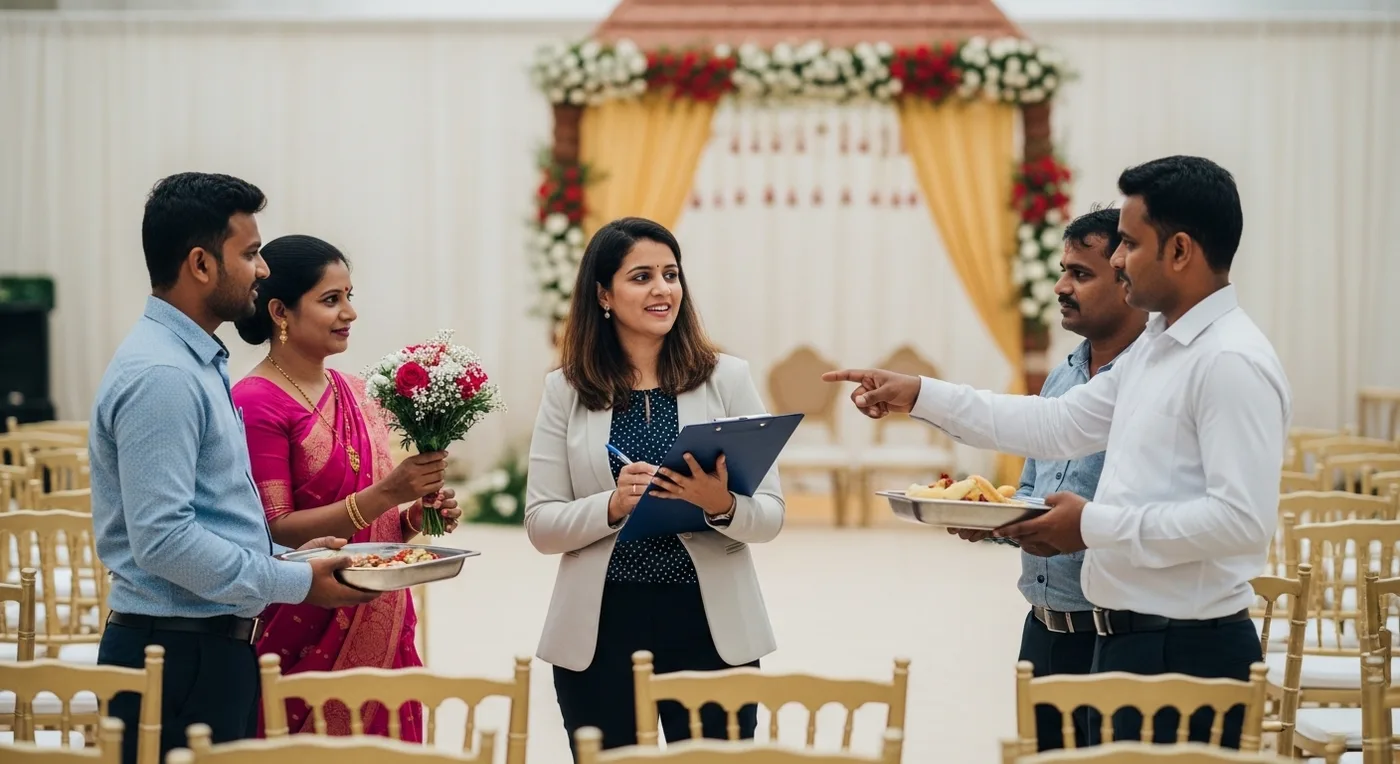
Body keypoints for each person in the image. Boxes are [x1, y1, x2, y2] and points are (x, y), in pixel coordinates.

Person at [824, 156, 1290, 748]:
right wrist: (919, 394)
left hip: (1186, 650)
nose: (1117, 259)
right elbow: (1058, 424)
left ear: (1179, 251)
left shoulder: (1229, 360)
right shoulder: (1158, 346)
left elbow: (1241, 524)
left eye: (1129, 243)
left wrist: (1090, 525)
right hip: (1126, 642)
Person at [90, 172, 380, 764]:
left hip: (201, 649)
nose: (263, 268)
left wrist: (284, 558)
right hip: (175, 657)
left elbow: (211, 515)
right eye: (249, 254)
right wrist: (297, 582)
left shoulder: (194, 360)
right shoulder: (164, 375)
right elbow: (163, 540)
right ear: (201, 264)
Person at [525, 217, 785, 757]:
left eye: (671, 274)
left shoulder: (727, 378)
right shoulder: (565, 389)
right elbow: (542, 525)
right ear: (603, 294)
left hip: (710, 622)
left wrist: (721, 504)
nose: (662, 289)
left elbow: (771, 516)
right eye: (641, 277)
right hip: (601, 625)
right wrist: (613, 504)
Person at [228, 234, 462, 740]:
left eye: (349, 296)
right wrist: (387, 494)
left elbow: (375, 526)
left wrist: (413, 516)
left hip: (382, 612)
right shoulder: (255, 401)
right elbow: (276, 530)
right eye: (331, 299)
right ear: (280, 311)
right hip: (304, 615)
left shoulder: (355, 391)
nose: (349, 313)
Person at [949, 207, 1146, 751]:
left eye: (1080, 274)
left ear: (1128, 279)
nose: (1061, 287)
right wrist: (993, 520)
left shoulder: (1153, 382)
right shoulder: (1062, 376)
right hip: (1043, 627)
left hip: (1118, 632)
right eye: (1062, 271)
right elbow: (1032, 493)